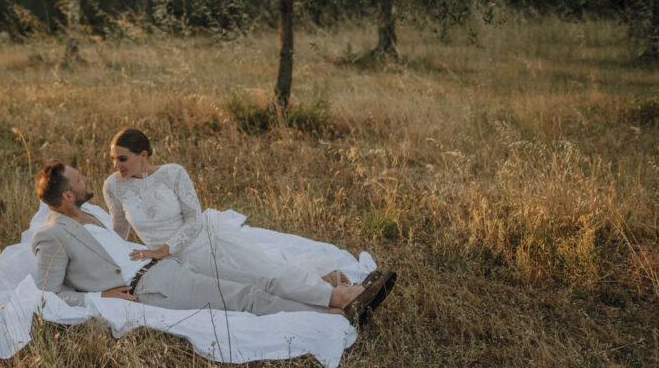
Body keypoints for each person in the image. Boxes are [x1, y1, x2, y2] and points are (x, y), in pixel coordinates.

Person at [31, 160, 392, 323]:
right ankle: (338, 313)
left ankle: (335, 302)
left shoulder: (87, 214)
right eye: (78, 180)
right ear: (66, 197)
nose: (85, 180)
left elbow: (117, 240)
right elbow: (47, 294)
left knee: (249, 280)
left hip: (165, 265)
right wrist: (99, 296)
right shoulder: (51, 235)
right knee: (245, 299)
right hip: (148, 286)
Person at [102, 127, 395, 315]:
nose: (116, 166)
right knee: (252, 289)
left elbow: (193, 220)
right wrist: (112, 262)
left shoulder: (172, 173)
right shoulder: (113, 186)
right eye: (113, 159)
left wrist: (162, 248)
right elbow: (119, 229)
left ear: (143, 155)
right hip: (177, 261)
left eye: (122, 159)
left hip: (202, 239)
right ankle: (336, 306)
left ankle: (340, 296)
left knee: (267, 272)